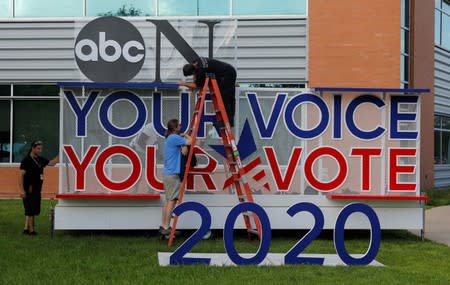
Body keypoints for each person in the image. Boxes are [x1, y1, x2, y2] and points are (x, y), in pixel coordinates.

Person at [179, 57, 237, 127]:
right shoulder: (196, 61)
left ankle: (227, 122)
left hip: (226, 74)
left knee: (225, 98)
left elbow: (196, 85)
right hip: (228, 70)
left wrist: (184, 84)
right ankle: (229, 120)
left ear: (193, 72)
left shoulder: (201, 72)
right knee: (230, 97)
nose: (193, 76)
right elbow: (195, 75)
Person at [160, 119, 192, 236]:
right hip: (172, 174)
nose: (181, 125)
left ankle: (163, 225)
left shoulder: (171, 138)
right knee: (172, 201)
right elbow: (192, 141)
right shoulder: (174, 138)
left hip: (168, 174)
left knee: (168, 200)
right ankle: (166, 226)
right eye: (179, 125)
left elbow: (183, 145)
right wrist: (186, 136)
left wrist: (183, 144)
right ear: (175, 128)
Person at [19, 141, 58, 235]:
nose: (40, 151)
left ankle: (26, 229)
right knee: (30, 208)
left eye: (41, 149)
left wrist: (60, 153)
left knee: (32, 208)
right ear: (33, 148)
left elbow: (52, 163)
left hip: (37, 188)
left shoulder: (40, 159)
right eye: (38, 149)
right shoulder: (27, 160)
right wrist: (21, 190)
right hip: (29, 188)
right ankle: (31, 230)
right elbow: (21, 175)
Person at [129, 122, 158, 193]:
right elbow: (140, 141)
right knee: (138, 173)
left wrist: (156, 153)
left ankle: (150, 192)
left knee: (152, 170)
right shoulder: (150, 128)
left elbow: (154, 142)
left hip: (144, 150)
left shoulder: (158, 129)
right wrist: (150, 152)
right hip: (137, 149)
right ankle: (133, 193)